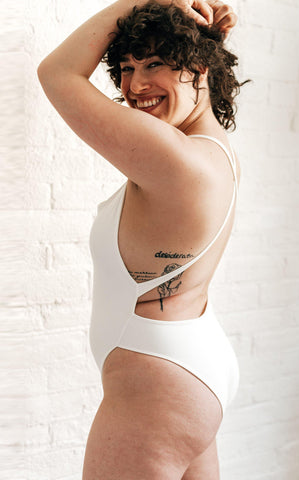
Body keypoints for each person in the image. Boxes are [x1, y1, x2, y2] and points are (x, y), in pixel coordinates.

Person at [37, 1, 250, 478]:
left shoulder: (176, 159)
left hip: (158, 383)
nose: (134, 86)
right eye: (127, 68)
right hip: (190, 365)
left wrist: (138, 2)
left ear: (201, 66)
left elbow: (57, 74)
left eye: (155, 63)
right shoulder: (213, 152)